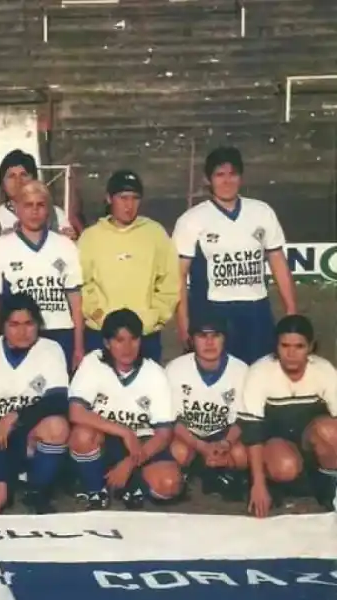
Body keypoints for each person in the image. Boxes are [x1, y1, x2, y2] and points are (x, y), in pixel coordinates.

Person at [173, 146, 296, 364]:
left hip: (256, 310)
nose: (227, 181)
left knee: (259, 374)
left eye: (232, 174)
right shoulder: (192, 220)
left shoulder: (261, 212)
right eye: (220, 175)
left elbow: (278, 261)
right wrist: (184, 325)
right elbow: (178, 277)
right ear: (209, 179)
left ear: (241, 177)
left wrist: (291, 310)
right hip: (213, 312)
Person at [0, 293, 70, 514]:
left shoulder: (50, 349)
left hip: (28, 437)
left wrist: (14, 417)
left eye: (29, 324)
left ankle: (38, 490)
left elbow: (56, 401)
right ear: (3, 326)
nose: (22, 331)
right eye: (14, 324)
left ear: (38, 325)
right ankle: (7, 479)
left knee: (57, 426)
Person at [68, 309, 182, 510]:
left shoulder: (154, 373)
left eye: (133, 339)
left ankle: (131, 483)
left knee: (169, 485)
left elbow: (164, 434)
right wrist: (124, 432)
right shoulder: (93, 362)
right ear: (107, 343)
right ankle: (96, 490)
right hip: (104, 439)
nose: (127, 348)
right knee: (82, 435)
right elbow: (76, 412)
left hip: (141, 444)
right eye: (119, 340)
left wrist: (130, 462)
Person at [0, 180, 85, 372]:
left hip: (60, 332)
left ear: (48, 209)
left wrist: (78, 347)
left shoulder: (66, 246)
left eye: (40, 205)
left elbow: (76, 302)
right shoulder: (0, 247)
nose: (34, 211)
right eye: (28, 205)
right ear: (17, 209)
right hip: (19, 334)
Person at [237, 315, 337, 518]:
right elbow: (253, 432)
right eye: (285, 346)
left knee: (330, 431)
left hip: (311, 440)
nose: (291, 353)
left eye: (299, 346)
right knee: (285, 467)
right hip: (276, 442)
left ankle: (328, 490)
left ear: (310, 347)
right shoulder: (260, 372)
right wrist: (258, 484)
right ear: (276, 346)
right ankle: (281, 487)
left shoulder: (324, 370)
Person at [78, 170, 179, 363]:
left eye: (135, 198)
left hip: (144, 335)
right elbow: (82, 282)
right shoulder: (91, 237)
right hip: (102, 334)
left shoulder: (155, 234)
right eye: (123, 198)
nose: (129, 205)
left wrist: (155, 316)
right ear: (109, 198)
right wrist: (97, 314)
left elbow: (170, 281)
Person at [165, 312, 248, 501]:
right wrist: (199, 446)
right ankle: (192, 471)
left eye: (216, 335)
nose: (209, 343)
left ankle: (220, 473)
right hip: (188, 435)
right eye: (202, 336)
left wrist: (225, 444)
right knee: (179, 452)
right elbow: (171, 421)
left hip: (222, 435)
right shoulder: (175, 369)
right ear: (192, 339)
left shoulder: (241, 370)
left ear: (225, 338)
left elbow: (243, 419)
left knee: (240, 454)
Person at [0, 149, 80, 240]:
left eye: (23, 175)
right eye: (12, 176)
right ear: (2, 183)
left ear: (34, 178)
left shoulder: (55, 214)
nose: (18, 181)